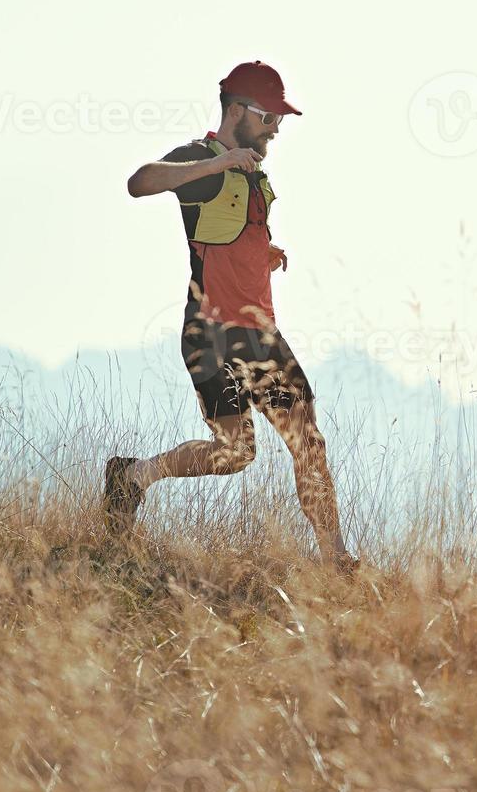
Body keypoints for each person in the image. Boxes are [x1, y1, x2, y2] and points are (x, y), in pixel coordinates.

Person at [104, 60, 357, 576]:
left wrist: (262, 253)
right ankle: (133, 477)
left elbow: (226, 233)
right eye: (269, 118)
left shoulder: (250, 171)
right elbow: (139, 182)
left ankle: (336, 562)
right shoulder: (203, 159)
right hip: (212, 335)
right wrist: (217, 166)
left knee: (307, 443)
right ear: (239, 111)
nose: (276, 129)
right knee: (235, 453)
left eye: (280, 120)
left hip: (260, 335)